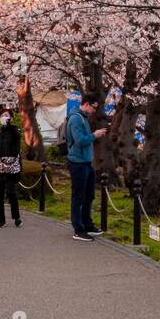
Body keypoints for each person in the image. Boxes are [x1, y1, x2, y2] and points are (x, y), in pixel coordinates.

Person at [66, 95, 106, 241]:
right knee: (78, 196)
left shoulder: (83, 118)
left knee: (89, 195)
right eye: (94, 107)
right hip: (77, 163)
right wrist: (94, 135)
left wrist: (93, 135)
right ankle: (78, 228)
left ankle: (87, 224)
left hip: (86, 162)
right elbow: (80, 140)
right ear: (87, 104)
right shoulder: (76, 118)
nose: (95, 111)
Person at [0, 109, 23, 228]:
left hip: (12, 165)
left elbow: (17, 138)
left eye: (7, 115)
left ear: (11, 118)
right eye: (2, 115)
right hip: (0, 165)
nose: (4, 117)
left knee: (11, 192)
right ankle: (1, 220)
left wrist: (9, 125)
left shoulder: (15, 129)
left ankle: (17, 217)